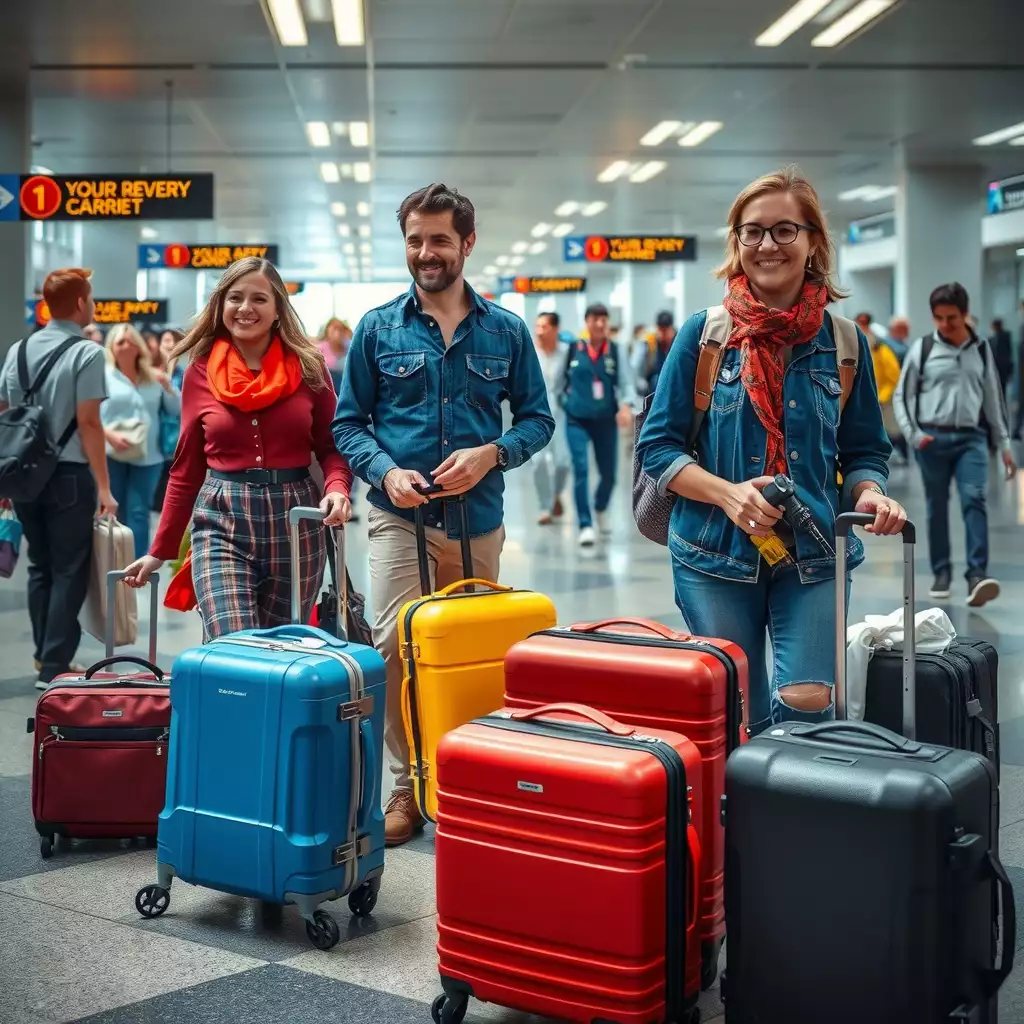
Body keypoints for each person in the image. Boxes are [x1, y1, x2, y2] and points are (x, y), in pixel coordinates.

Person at [637, 167, 903, 739]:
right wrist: (730, 496)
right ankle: (744, 825)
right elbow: (657, 448)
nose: (766, 245)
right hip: (713, 553)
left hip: (815, 549)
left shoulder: (845, 342)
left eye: (785, 230)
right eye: (751, 232)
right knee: (739, 714)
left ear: (813, 241)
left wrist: (872, 493)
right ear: (736, 243)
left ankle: (796, 821)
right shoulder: (705, 336)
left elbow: (864, 451)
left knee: (808, 706)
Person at [333, 182, 553, 846]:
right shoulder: (377, 328)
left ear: (467, 243)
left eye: (438, 239)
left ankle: (471, 771)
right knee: (396, 644)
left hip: (477, 518)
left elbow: (538, 421)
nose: (425, 252)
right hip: (397, 515)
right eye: (414, 240)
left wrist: (492, 453)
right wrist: (385, 471)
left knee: (475, 650)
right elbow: (349, 425)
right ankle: (406, 781)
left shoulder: (506, 331)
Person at [120, 257, 352, 640]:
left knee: (286, 650)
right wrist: (159, 550)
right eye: (235, 298)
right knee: (232, 645)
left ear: (278, 309)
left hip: (296, 521)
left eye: (259, 299)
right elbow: (187, 466)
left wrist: (338, 489)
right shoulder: (199, 370)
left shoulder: (310, 367)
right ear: (221, 306)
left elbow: (332, 446)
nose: (245, 308)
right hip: (222, 517)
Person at [0, 267, 117, 686]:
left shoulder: (18, 350)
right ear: (82, 303)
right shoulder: (86, 353)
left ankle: (42, 658)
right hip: (69, 475)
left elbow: (4, 412)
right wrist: (104, 486)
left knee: (40, 566)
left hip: (24, 474)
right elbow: (89, 423)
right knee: (70, 569)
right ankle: (54, 667)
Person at [893, 283, 1016, 606]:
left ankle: (977, 575)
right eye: (939, 318)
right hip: (932, 440)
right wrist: (914, 435)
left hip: (971, 439)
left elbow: (993, 399)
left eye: (952, 318)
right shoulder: (923, 349)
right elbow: (901, 397)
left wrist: (1004, 444)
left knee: (974, 498)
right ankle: (941, 572)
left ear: (965, 314)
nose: (945, 325)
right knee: (936, 508)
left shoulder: (981, 349)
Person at [100, 324, 181, 559]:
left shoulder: (153, 376)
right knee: (114, 510)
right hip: (111, 452)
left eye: (131, 340)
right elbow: (88, 414)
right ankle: (112, 560)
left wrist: (169, 387)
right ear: (111, 347)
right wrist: (109, 436)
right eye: (120, 342)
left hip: (149, 455)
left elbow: (175, 409)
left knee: (139, 511)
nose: (126, 346)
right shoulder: (103, 376)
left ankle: (135, 565)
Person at [562, 303, 635, 547]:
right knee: (580, 469)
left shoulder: (615, 351)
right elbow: (559, 383)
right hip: (576, 420)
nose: (600, 324)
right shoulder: (573, 349)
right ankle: (585, 524)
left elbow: (626, 384)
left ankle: (600, 507)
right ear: (587, 322)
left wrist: (625, 406)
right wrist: (564, 403)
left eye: (604, 319)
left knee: (609, 475)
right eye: (595, 319)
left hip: (605, 420)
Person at [531, 311, 571, 524]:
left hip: (562, 414)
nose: (539, 331)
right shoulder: (530, 353)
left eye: (544, 326)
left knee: (563, 462)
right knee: (537, 462)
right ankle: (544, 505)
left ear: (555, 329)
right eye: (537, 326)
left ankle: (556, 493)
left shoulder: (567, 353)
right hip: (536, 414)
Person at [632, 310, 677, 398]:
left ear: (671, 329)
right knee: (655, 380)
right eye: (660, 329)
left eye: (666, 330)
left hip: (673, 382)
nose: (662, 334)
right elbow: (636, 365)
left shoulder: (679, 342)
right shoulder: (649, 342)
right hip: (654, 385)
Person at [317, 317, 352, 393]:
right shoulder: (320, 349)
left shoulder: (351, 347)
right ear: (327, 331)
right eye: (334, 329)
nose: (337, 332)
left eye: (341, 329)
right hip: (329, 391)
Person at [989, 318, 1014, 404]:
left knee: (1001, 390)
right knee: (1000, 391)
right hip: (998, 369)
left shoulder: (1002, 337)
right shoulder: (993, 338)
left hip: (1000, 369)